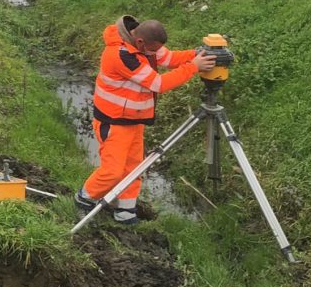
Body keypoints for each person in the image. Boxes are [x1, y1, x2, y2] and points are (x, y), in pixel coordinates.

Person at [75, 15, 218, 225]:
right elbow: (158, 83)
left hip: (133, 121)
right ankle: (84, 198)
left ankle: (125, 212)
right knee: (113, 172)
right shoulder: (121, 55)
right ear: (141, 42)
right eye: (152, 50)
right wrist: (194, 67)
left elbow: (168, 58)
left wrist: (195, 55)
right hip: (113, 122)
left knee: (133, 168)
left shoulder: (142, 43)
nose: (155, 54)